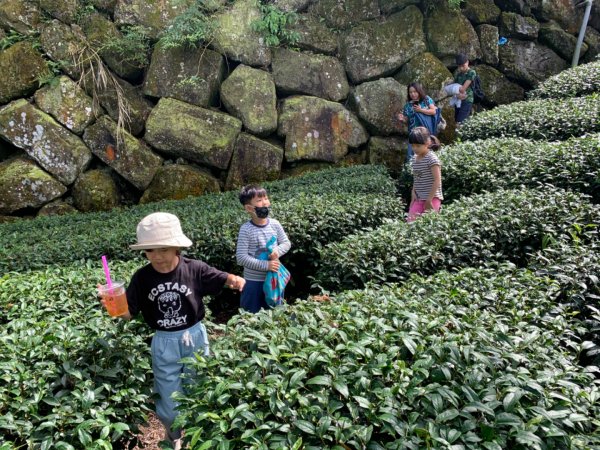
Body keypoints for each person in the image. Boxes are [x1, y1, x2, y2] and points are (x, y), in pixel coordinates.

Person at [100, 212, 245, 449]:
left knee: (198, 385)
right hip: (164, 340)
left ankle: (198, 434)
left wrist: (237, 281)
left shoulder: (194, 269)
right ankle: (173, 433)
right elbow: (127, 314)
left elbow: (222, 278)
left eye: (163, 249)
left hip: (194, 335)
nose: (157, 256)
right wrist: (111, 303)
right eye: (150, 251)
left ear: (176, 247)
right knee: (167, 393)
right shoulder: (142, 277)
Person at [236, 185, 291, 313]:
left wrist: (277, 250)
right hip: (253, 282)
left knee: (275, 314)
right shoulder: (246, 229)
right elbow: (241, 258)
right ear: (249, 208)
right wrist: (266, 265)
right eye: (259, 200)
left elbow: (286, 242)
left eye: (266, 198)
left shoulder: (275, 224)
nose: (265, 202)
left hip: (274, 280)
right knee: (251, 316)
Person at [407, 127, 443, 222]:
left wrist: (429, 200)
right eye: (413, 146)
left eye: (418, 146)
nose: (415, 148)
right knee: (410, 223)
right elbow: (417, 177)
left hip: (432, 198)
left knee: (430, 225)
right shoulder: (414, 158)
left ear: (428, 143)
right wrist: (413, 194)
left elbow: (437, 180)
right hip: (418, 198)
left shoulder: (432, 159)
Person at [396, 82, 438, 161]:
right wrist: (402, 119)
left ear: (419, 91)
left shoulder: (426, 99)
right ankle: (411, 172)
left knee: (427, 156)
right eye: (410, 92)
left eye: (415, 91)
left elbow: (433, 111)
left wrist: (420, 110)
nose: (413, 94)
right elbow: (408, 121)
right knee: (410, 157)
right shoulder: (407, 106)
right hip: (413, 134)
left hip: (426, 133)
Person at [453, 53, 477, 124]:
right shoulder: (458, 74)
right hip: (458, 100)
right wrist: (457, 95)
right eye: (459, 66)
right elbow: (454, 89)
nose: (461, 68)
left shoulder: (471, 72)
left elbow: (463, 89)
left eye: (463, 66)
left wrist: (456, 91)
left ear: (467, 62)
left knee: (460, 121)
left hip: (467, 100)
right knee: (457, 120)